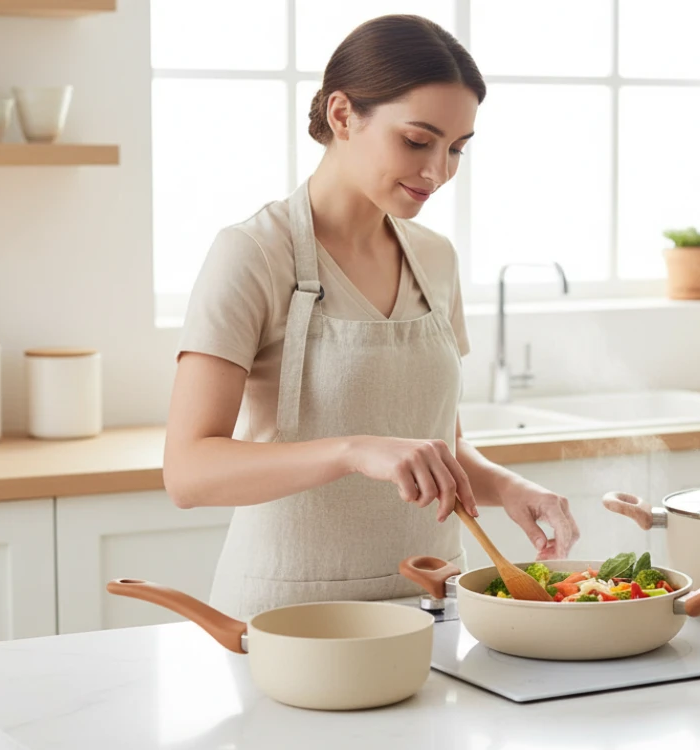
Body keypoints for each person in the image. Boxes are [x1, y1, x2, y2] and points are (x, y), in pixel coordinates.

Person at [164, 14, 580, 619]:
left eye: (456, 149)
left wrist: (509, 487)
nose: (438, 171)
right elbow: (189, 472)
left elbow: (439, 448)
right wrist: (352, 450)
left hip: (436, 608)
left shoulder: (435, 258)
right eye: (417, 140)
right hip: (294, 618)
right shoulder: (253, 253)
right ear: (342, 115)